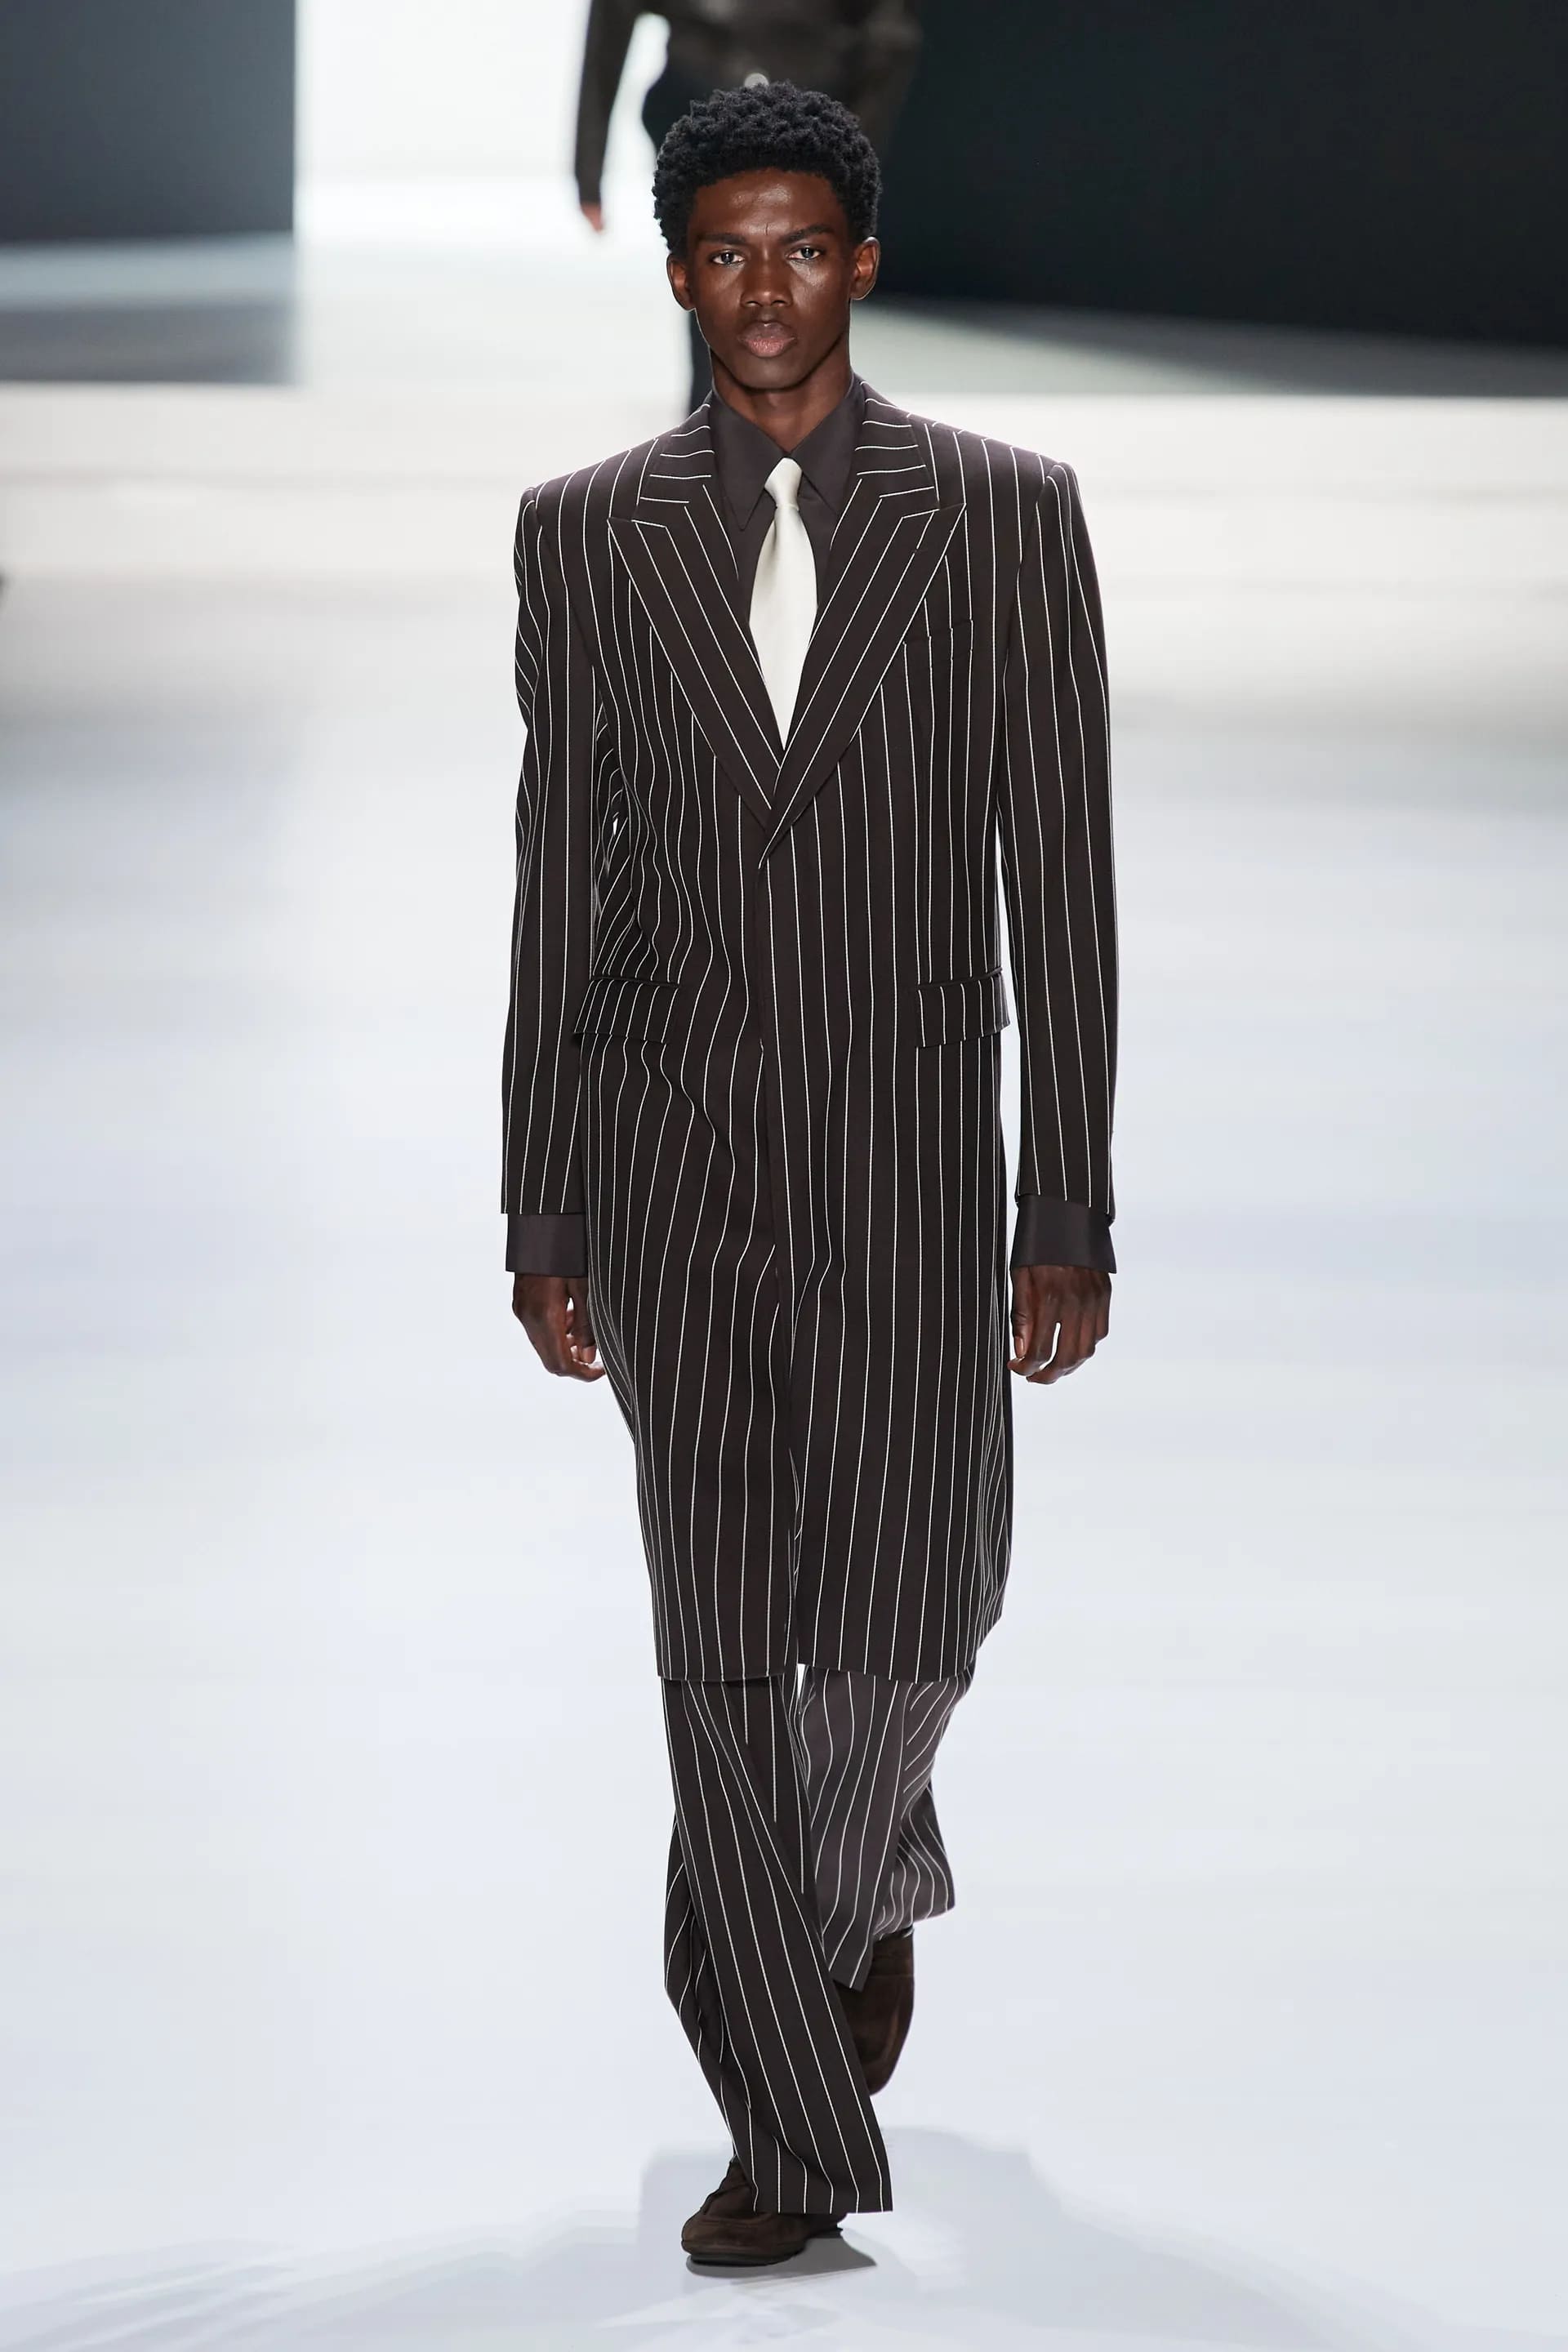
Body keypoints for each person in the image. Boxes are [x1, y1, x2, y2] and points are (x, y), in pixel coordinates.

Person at [505, 81, 1116, 2268]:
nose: (765, 289)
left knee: (919, 1603)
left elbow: (1064, 884)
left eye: (802, 247)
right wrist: (545, 1204)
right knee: (719, 1622)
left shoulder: (1004, 518)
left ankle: (842, 1878)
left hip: (913, 1149)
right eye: (726, 252)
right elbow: (561, 889)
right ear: (682, 273)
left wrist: (1068, 1206)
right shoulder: (585, 534)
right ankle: (789, 2122)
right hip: (669, 1159)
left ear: (861, 261)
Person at [573, 0, 923, 408]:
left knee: (747, 266)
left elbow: (891, 35)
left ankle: (745, 418)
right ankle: (730, 420)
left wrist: (856, 149)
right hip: (711, 92)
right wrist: (589, 165)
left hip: (790, 98)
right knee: (733, 266)